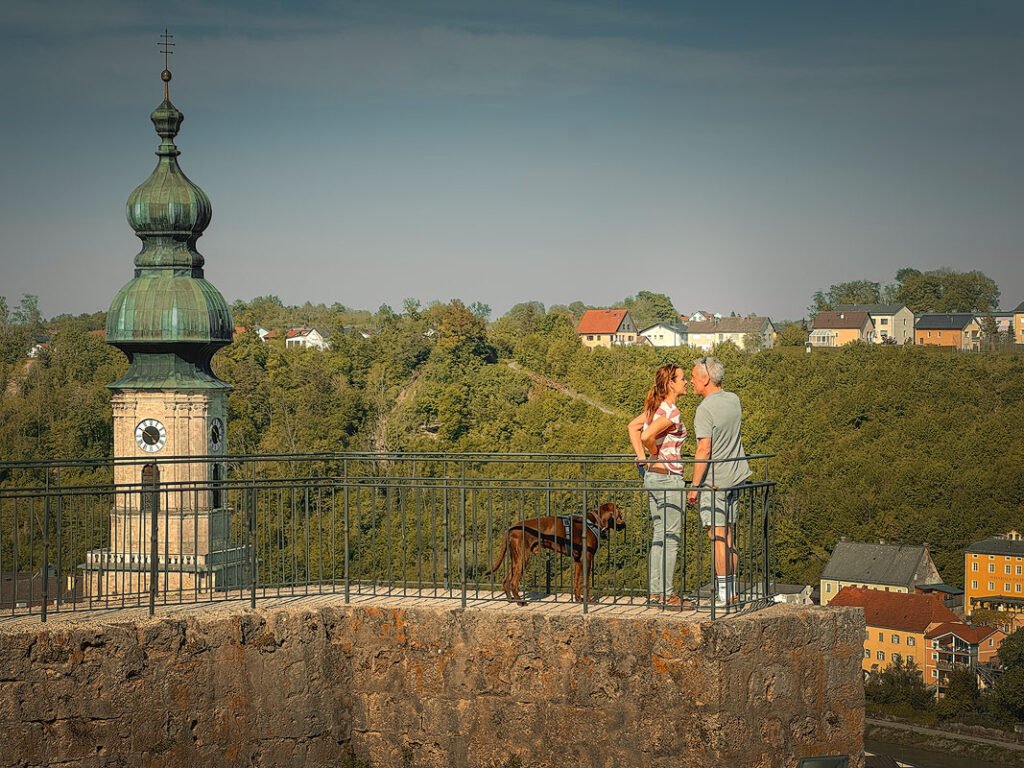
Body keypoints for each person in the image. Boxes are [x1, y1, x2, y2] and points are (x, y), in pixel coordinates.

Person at [686, 356, 751, 607]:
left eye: (693, 376)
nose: (691, 380)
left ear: (705, 378)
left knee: (718, 538)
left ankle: (724, 595)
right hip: (736, 477)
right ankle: (732, 590)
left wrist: (694, 487)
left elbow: (704, 450)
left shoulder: (705, 409)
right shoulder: (733, 399)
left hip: (715, 482)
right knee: (730, 536)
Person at [628, 363, 688, 606]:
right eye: (682, 379)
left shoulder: (656, 409)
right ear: (671, 383)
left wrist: (643, 458)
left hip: (653, 476)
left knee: (659, 535)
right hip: (668, 478)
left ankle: (655, 593)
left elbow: (633, 426)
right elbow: (644, 436)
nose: (685, 383)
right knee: (671, 537)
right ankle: (667, 594)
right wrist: (652, 452)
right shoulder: (671, 413)